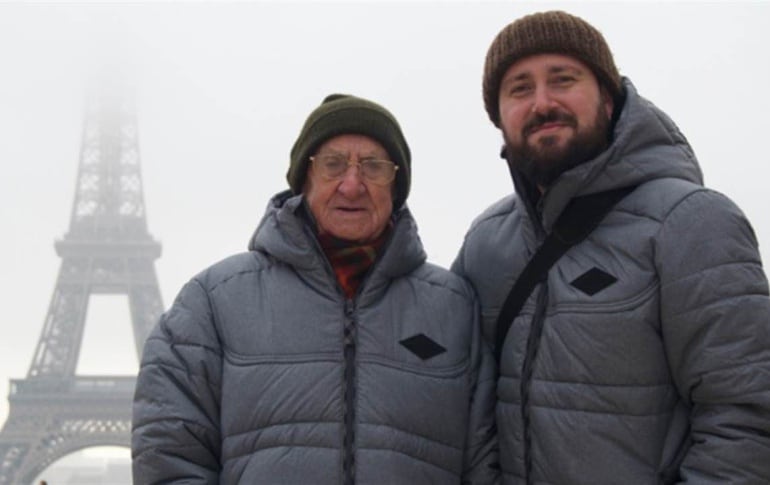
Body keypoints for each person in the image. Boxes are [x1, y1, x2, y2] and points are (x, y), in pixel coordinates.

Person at [452, 10, 770, 485]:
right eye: (519, 88)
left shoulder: (691, 222)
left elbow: (747, 415)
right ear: (499, 119)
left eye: (563, 80)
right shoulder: (486, 243)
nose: (542, 103)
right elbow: (462, 406)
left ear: (608, 99)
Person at [132, 93, 498, 484]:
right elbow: (169, 457)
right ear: (303, 180)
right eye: (332, 165)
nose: (352, 184)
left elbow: (486, 463)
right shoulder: (212, 303)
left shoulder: (454, 309)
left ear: (396, 186)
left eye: (373, 167)